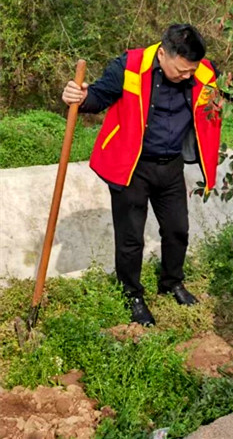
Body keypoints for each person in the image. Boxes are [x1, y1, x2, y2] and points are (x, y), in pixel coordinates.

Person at [61, 24, 221, 326]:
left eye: (192, 70)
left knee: (177, 230)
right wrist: (80, 96)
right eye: (182, 70)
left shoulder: (204, 72)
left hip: (171, 166)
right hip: (132, 166)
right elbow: (99, 95)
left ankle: (172, 282)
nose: (189, 76)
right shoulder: (130, 66)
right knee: (131, 239)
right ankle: (132, 294)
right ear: (163, 53)